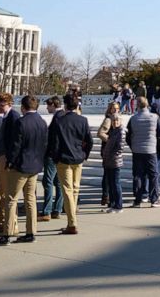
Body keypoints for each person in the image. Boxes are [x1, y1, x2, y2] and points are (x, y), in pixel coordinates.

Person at [0, 95, 46, 246]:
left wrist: (10, 162)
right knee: (30, 199)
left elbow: (16, 145)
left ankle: (7, 233)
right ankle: (31, 232)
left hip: (20, 166)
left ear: (23, 107)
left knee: (11, 199)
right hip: (35, 165)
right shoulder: (42, 122)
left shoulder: (21, 122)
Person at [46, 92, 93, 233]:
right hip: (78, 158)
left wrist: (54, 157)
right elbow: (89, 140)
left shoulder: (60, 121)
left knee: (67, 190)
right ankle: (71, 220)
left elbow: (53, 142)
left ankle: (72, 223)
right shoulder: (83, 120)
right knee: (74, 189)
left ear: (65, 105)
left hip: (64, 158)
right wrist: (85, 154)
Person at [126, 96, 160, 208]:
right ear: (147, 104)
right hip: (151, 150)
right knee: (153, 175)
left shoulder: (133, 119)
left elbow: (128, 136)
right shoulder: (154, 117)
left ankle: (138, 200)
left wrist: (132, 146)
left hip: (137, 150)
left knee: (138, 175)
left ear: (137, 105)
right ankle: (154, 199)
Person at [0, 92, 19, 235]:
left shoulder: (13, 116)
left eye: (1, 104)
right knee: (3, 193)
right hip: (1, 156)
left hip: (5, 158)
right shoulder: (6, 116)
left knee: (6, 193)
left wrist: (9, 159)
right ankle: (4, 222)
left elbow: (14, 140)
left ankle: (10, 225)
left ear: (9, 104)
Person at [38, 96, 64, 222]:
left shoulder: (58, 117)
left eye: (48, 105)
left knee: (47, 182)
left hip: (52, 155)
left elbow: (54, 138)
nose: (47, 108)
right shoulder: (61, 116)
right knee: (58, 183)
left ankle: (47, 210)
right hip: (60, 155)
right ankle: (57, 209)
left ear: (53, 105)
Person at [100, 113, 125, 213]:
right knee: (111, 184)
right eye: (114, 120)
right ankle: (113, 204)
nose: (115, 122)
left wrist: (111, 156)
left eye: (117, 120)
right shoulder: (114, 131)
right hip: (109, 161)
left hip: (115, 161)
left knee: (116, 184)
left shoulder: (121, 131)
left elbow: (119, 148)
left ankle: (118, 206)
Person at [96, 102, 120, 207]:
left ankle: (107, 196)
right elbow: (100, 133)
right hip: (107, 150)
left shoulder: (118, 118)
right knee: (108, 175)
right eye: (113, 108)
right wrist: (110, 140)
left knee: (109, 175)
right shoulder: (108, 120)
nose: (115, 110)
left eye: (117, 108)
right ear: (109, 109)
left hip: (113, 150)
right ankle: (106, 196)